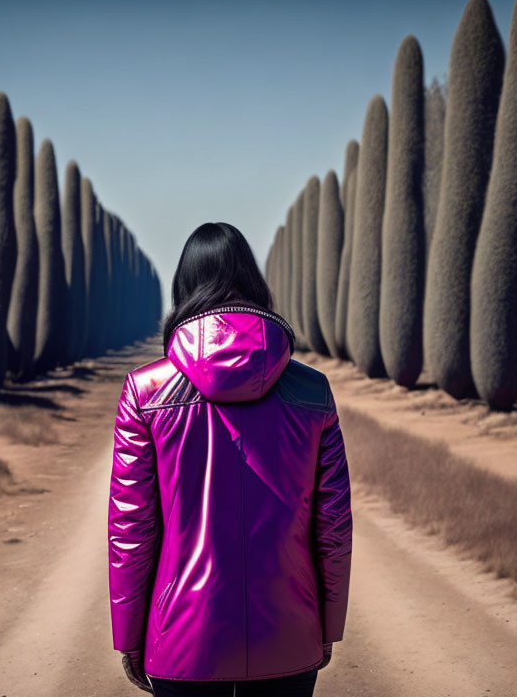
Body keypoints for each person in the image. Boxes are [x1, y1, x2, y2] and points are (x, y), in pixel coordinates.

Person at [108, 222, 353, 696]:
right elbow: (333, 527)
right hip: (289, 632)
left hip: (182, 641)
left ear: (183, 288)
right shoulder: (312, 391)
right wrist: (326, 625)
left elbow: (132, 530)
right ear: (254, 284)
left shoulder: (144, 392)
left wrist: (130, 637)